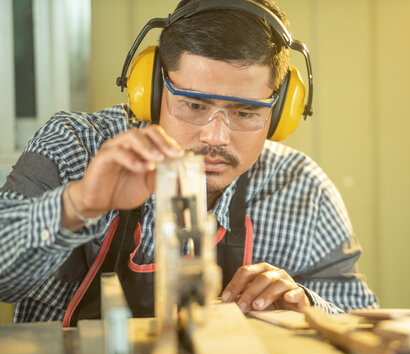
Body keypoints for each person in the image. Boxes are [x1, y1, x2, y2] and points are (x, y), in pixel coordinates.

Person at [0, 0, 377, 325]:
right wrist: (77, 205)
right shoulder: (76, 146)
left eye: (246, 112)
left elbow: (363, 325)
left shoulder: (302, 189)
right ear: (152, 90)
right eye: (194, 105)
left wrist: (307, 310)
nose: (215, 137)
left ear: (281, 113)